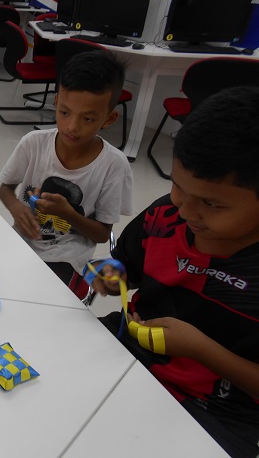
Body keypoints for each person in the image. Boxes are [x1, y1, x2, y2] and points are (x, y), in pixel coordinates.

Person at [92, 86, 259, 458]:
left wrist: (200, 349)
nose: (184, 211)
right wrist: (111, 276)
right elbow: (125, 268)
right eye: (177, 186)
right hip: (129, 346)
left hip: (218, 408)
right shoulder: (163, 216)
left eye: (211, 203)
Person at [0, 50, 133, 293]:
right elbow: (5, 189)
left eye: (88, 119)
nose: (72, 126)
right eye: (65, 112)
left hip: (67, 259)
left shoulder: (113, 165)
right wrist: (16, 207)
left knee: (38, 298)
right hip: (21, 242)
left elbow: (102, 234)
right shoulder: (33, 143)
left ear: (109, 118)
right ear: (56, 101)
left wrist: (68, 214)